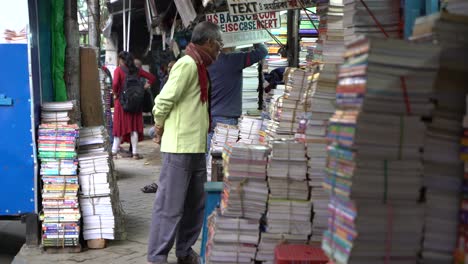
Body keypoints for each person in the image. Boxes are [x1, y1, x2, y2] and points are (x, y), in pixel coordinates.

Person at [147, 21, 223, 264]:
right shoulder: (188, 64)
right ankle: (157, 256)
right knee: (170, 207)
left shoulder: (199, 66)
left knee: (194, 206)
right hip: (179, 148)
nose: (219, 50)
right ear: (209, 42)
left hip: (196, 147)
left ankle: (184, 251)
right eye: (218, 45)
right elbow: (163, 101)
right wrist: (158, 125)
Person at [206, 43, 268, 152]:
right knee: (222, 158)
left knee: (208, 158)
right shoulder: (233, 60)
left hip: (208, 117)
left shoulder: (207, 62)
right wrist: (257, 41)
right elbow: (262, 52)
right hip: (226, 119)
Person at [111, 51, 156, 160]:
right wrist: (144, 87)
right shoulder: (137, 70)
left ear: (121, 60)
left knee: (119, 127)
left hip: (121, 103)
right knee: (134, 128)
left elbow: (115, 84)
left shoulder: (118, 70)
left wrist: (116, 94)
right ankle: (135, 153)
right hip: (135, 103)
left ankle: (114, 152)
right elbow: (152, 78)